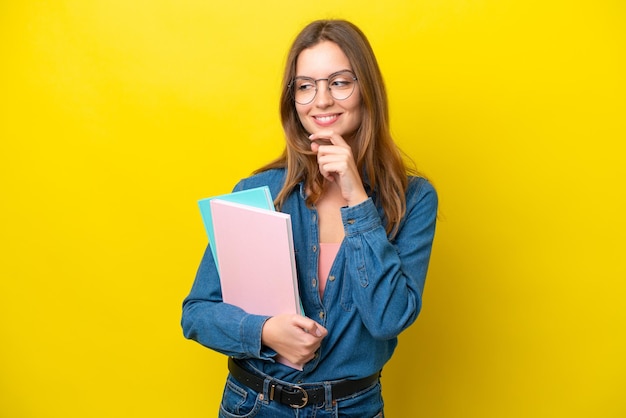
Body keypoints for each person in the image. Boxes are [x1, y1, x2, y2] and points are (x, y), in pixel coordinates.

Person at [181, 19, 438, 417]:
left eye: (339, 82)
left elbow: (388, 319)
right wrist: (264, 332)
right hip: (254, 405)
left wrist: (357, 199)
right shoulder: (260, 191)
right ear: (293, 100)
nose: (321, 101)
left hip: (353, 408)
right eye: (305, 86)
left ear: (366, 90)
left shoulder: (414, 199)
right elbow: (197, 312)